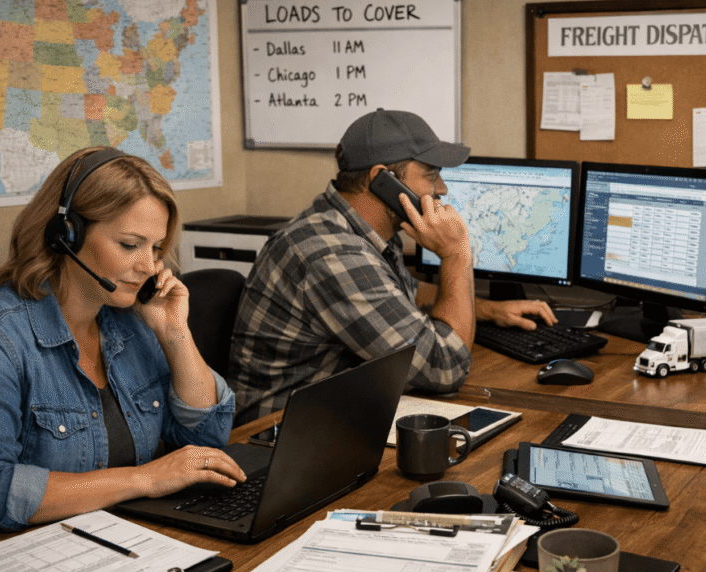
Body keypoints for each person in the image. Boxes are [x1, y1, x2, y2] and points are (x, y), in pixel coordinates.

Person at [0, 147, 245, 559]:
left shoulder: (130, 320)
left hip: (102, 542)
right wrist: (144, 479)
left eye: (156, 248)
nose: (148, 265)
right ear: (65, 235)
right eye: (129, 245)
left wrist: (174, 332)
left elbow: (206, 438)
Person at [228, 109, 555, 426]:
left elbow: (404, 294)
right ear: (382, 179)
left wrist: (490, 310)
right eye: (431, 175)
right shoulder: (333, 253)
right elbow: (446, 368)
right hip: (278, 437)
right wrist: (456, 254)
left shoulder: (352, 224)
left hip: (334, 413)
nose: (442, 189)